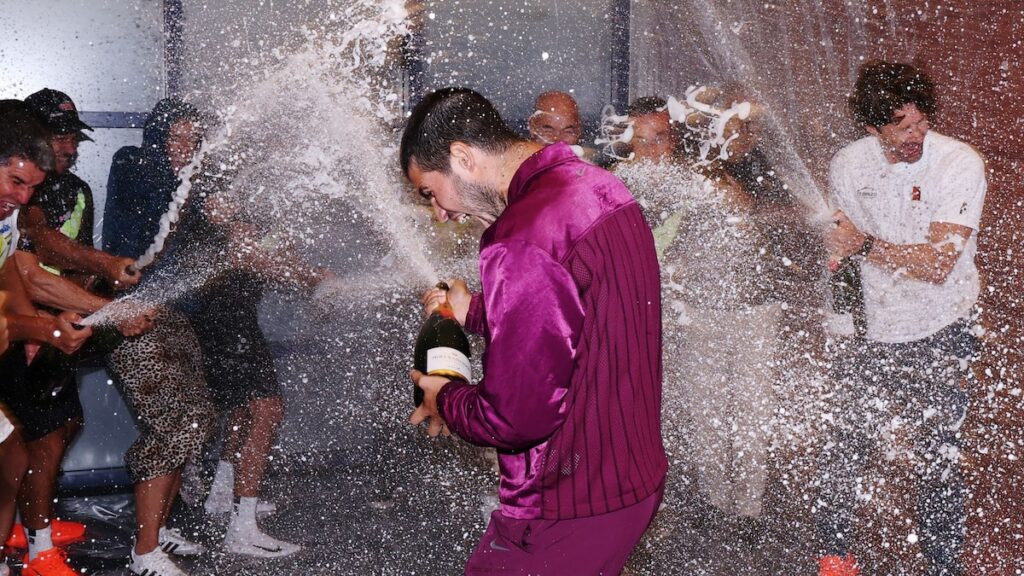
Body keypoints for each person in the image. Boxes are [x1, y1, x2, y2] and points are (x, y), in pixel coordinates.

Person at [402, 87, 667, 574]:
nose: (439, 213)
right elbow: (578, 311)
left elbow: (517, 417)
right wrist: (477, 311)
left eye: (429, 192)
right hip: (630, 478)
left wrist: (445, 398)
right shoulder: (598, 186)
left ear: (462, 157)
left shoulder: (522, 238)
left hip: (564, 502)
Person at [817, 60, 985, 576]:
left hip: (944, 327)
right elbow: (841, 252)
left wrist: (862, 245)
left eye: (921, 121)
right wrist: (839, 318)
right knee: (844, 444)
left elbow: (938, 263)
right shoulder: (849, 164)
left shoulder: (958, 162)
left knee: (938, 457)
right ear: (873, 128)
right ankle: (835, 556)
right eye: (902, 126)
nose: (917, 133)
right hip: (869, 327)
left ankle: (941, 565)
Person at [0, 89, 144, 572]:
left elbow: (29, 275)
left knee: (25, 449)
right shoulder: (22, 209)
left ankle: (24, 540)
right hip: (24, 338)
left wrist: (104, 308)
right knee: (27, 445)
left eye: (29, 188)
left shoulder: (20, 210)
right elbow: (44, 253)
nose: (21, 198)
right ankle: (37, 546)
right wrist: (39, 326)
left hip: (26, 336)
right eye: (16, 182)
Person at [102, 98, 220, 576]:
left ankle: (159, 526)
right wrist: (189, 182)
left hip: (174, 314)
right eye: (175, 138)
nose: (183, 149)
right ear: (155, 138)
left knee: (195, 420)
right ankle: (145, 552)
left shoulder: (191, 185)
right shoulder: (133, 162)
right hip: (135, 316)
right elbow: (147, 220)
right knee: (173, 424)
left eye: (193, 141)